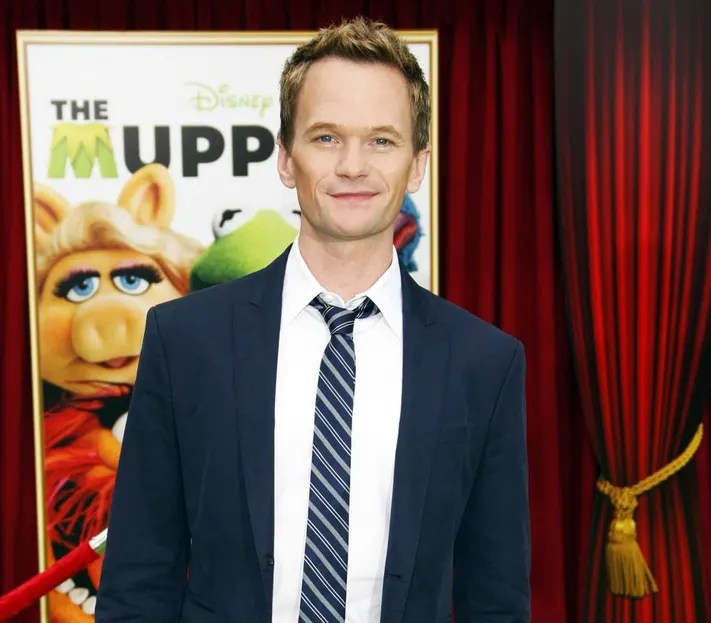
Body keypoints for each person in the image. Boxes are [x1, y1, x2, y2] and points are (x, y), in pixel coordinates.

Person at [96, 17, 530, 623]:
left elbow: (496, 598)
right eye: (326, 137)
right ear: (284, 158)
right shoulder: (185, 340)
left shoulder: (485, 363)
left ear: (418, 164)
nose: (352, 165)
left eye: (382, 141)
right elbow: (138, 578)